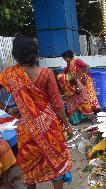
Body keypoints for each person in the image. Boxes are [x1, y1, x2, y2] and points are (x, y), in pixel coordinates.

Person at [0, 36, 73, 189]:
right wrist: (67, 125)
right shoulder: (46, 74)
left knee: (29, 171)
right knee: (55, 167)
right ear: (36, 53)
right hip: (48, 128)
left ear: (16, 55)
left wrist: (6, 109)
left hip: (27, 130)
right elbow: (58, 105)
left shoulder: (10, 74)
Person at [58, 50, 100, 124]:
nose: (64, 60)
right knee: (76, 101)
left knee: (87, 99)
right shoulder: (69, 64)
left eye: (64, 58)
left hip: (84, 81)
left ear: (68, 57)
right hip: (77, 83)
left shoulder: (77, 60)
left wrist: (84, 75)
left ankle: (93, 116)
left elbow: (86, 66)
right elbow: (67, 73)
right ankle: (78, 119)